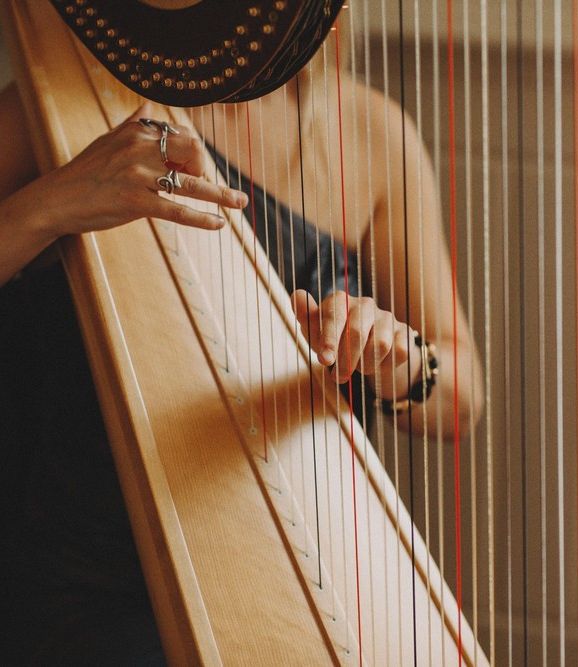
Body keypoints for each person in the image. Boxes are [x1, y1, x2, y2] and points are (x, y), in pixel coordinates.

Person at [0, 31, 483, 666]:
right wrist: (47, 206)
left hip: (275, 559)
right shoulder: (50, 102)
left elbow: (461, 399)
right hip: (69, 575)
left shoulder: (373, 135)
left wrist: (400, 363)